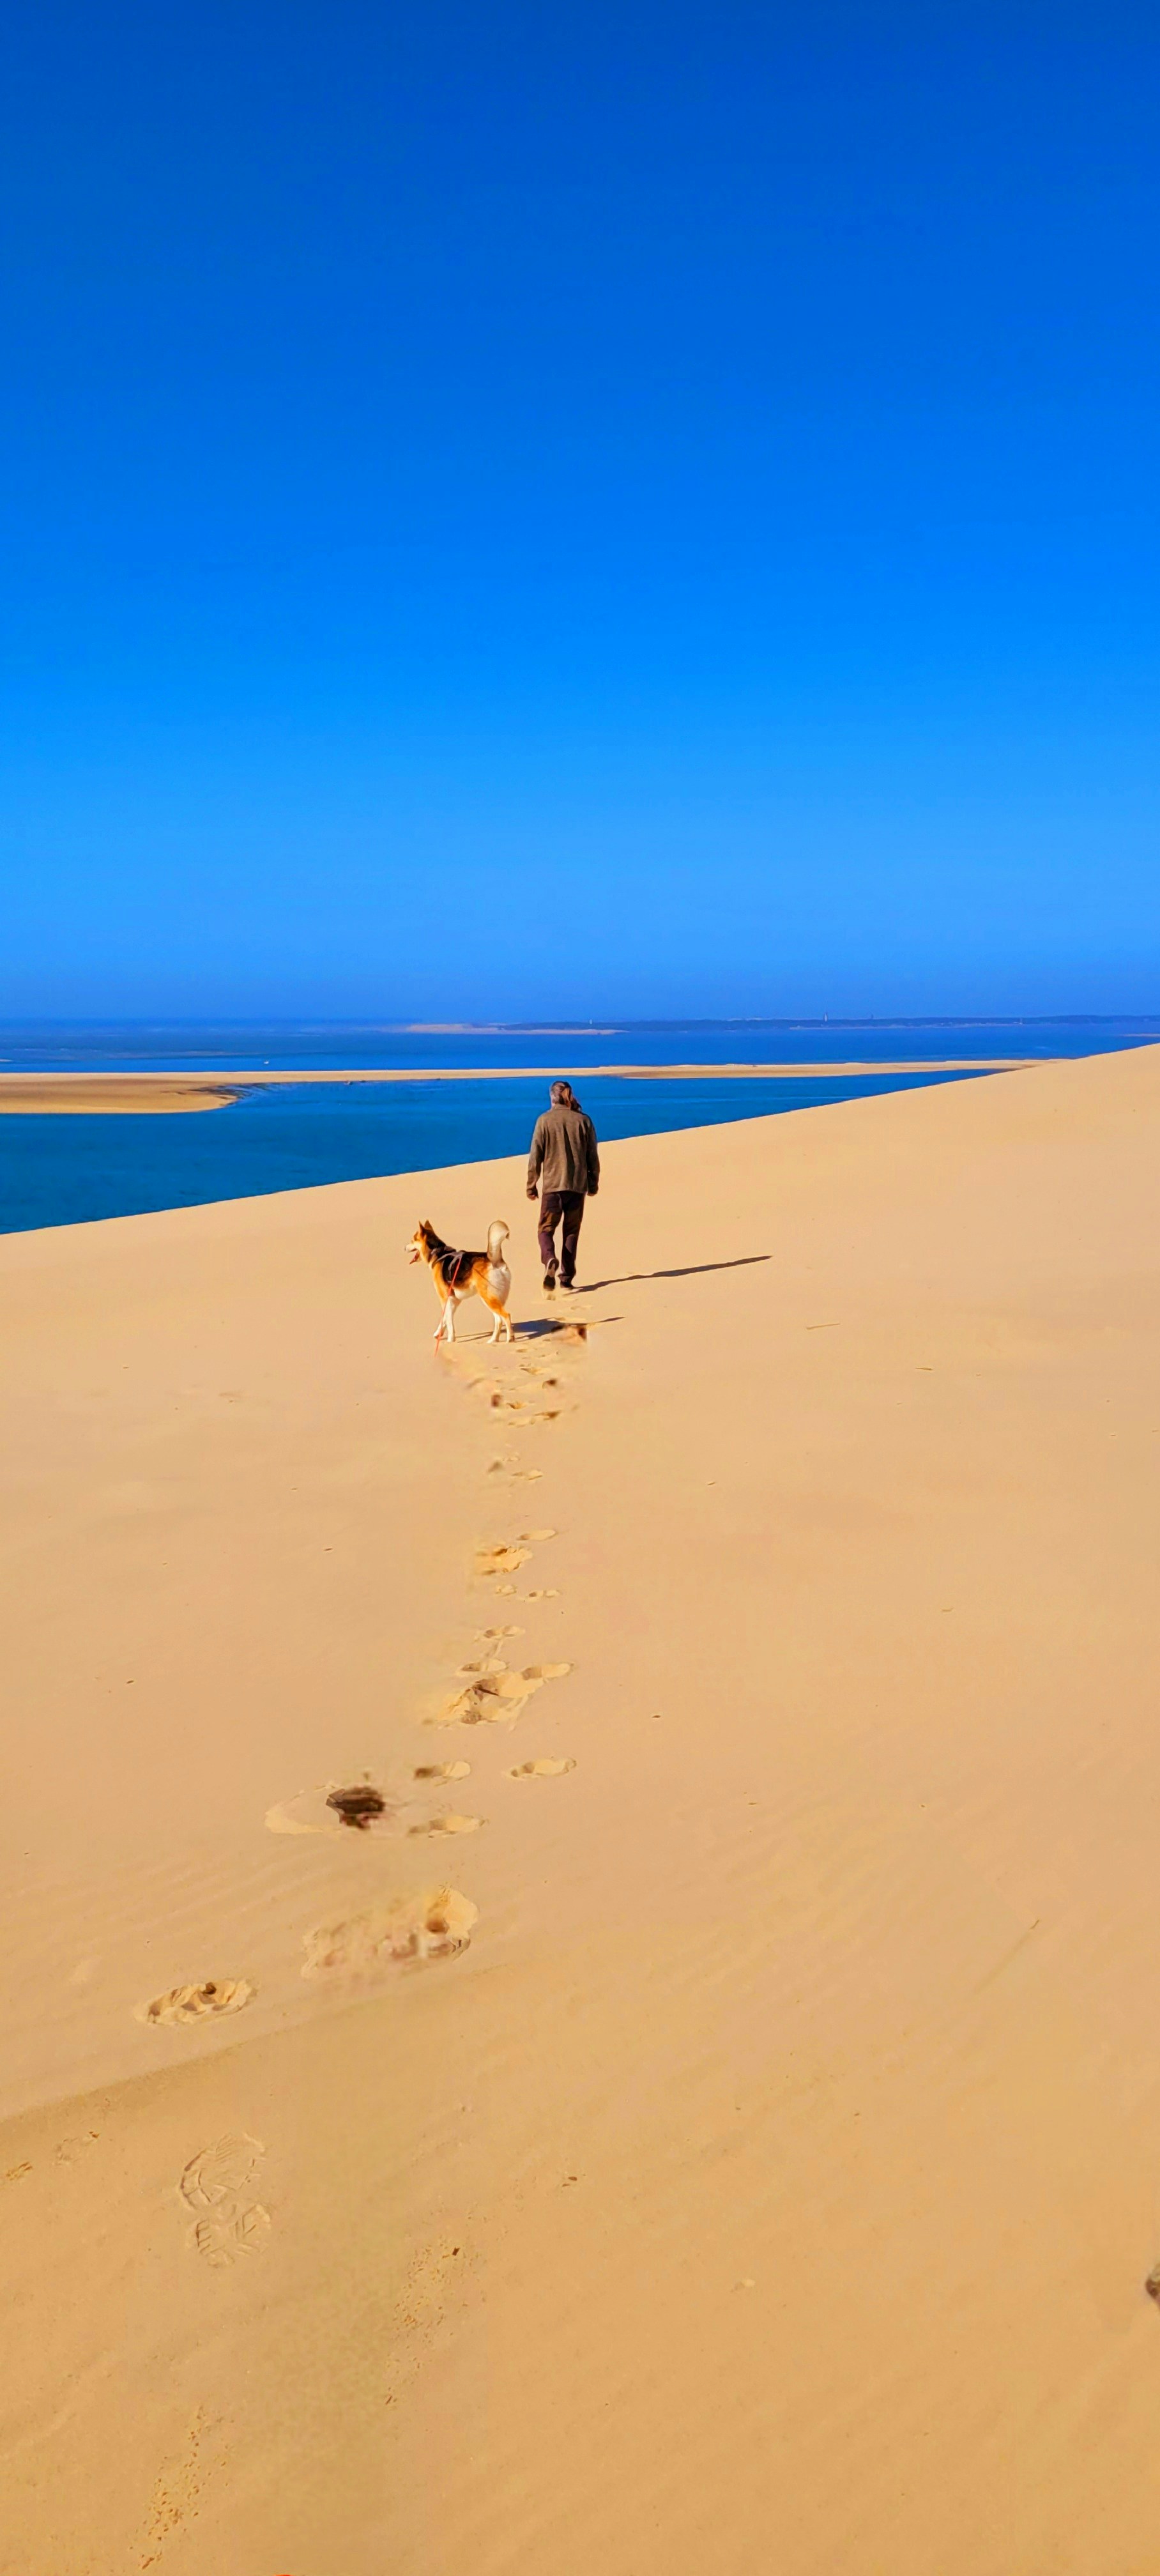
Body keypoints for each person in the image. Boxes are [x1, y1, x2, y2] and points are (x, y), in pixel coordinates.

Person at [526, 1080, 600, 1292]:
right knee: (571, 1232)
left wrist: (531, 1185)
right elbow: (592, 1156)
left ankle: (549, 1259)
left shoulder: (544, 1121)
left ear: (552, 1097)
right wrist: (593, 1183)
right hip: (577, 1187)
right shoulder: (584, 1121)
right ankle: (566, 1279)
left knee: (545, 1230)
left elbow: (535, 1157)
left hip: (552, 1187)